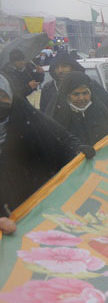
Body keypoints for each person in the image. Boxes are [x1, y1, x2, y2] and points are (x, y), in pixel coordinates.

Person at [0, 74, 88, 220]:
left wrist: (79, 152)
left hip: (41, 209)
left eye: (2, 95)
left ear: (11, 97)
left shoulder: (27, 117)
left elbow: (62, 139)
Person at [51, 72, 108, 147]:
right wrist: (76, 149)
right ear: (68, 96)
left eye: (85, 93)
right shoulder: (58, 118)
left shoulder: (101, 111)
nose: (81, 98)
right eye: (76, 94)